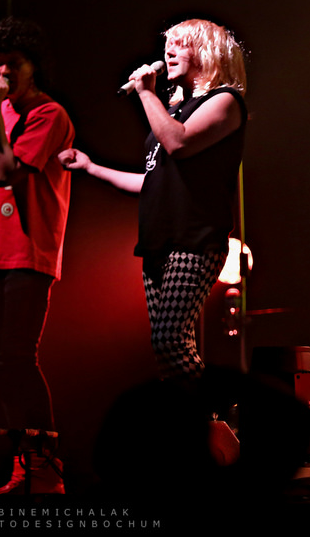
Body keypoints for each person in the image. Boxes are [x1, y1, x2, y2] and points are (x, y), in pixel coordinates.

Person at [60, 19, 247, 381]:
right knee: (167, 350)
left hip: (194, 240)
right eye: (167, 45)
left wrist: (146, 93)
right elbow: (152, 181)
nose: (169, 51)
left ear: (207, 52)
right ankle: (191, 416)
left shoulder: (225, 100)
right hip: (159, 240)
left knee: (169, 341)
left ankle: (213, 412)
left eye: (181, 44)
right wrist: (91, 167)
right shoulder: (173, 111)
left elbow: (178, 143)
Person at [0, 17, 74, 494]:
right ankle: (24, 467)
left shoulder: (48, 114)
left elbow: (6, 173)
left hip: (26, 253)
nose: (3, 73)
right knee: (0, 363)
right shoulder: (2, 114)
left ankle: (46, 469)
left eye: (13, 64)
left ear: (34, 66)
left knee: (18, 357)